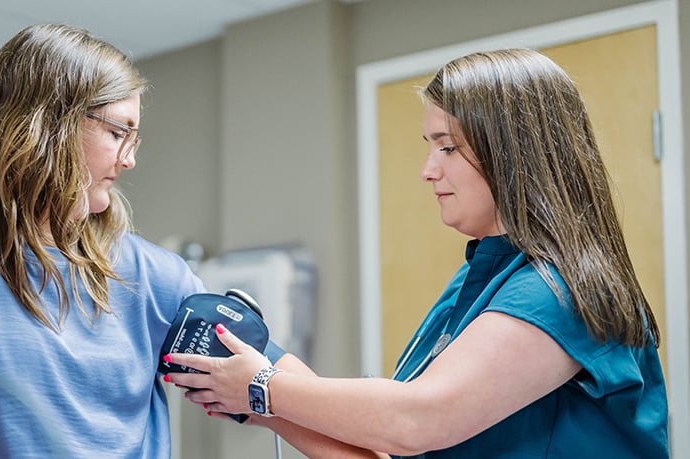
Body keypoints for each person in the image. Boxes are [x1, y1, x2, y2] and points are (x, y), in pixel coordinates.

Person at [165, 48, 669, 458]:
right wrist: (256, 385)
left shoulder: (559, 292)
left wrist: (264, 387)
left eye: (447, 147)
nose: (428, 169)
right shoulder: (477, 281)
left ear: (512, 151)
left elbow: (415, 419)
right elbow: (390, 441)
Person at [0, 23, 290, 458]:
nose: (130, 160)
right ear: (49, 122)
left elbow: (298, 404)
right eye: (119, 133)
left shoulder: (150, 275)